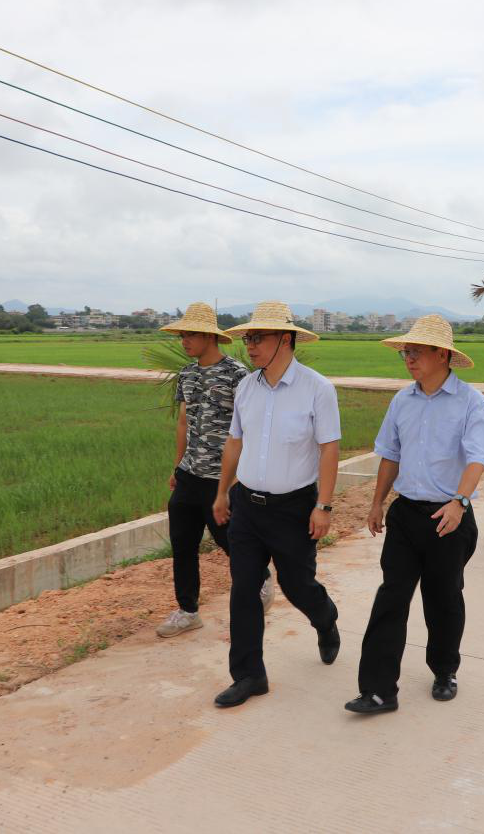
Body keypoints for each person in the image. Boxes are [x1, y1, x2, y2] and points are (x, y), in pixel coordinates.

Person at [345, 316, 484, 714]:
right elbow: (390, 454)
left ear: (442, 354)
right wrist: (377, 502)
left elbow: (478, 457)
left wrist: (459, 502)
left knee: (443, 599)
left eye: (416, 351)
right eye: (405, 352)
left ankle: (445, 670)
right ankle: (378, 690)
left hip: (448, 518)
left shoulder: (470, 402)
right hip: (406, 515)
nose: (409, 358)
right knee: (390, 598)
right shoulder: (403, 401)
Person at [211, 301, 342, 708]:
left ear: (285, 339)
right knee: (244, 589)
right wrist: (222, 492)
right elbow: (235, 441)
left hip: (293, 509)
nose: (249, 346)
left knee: (297, 585)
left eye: (257, 338)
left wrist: (323, 506)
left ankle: (325, 618)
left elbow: (329, 449)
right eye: (247, 338)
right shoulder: (246, 388)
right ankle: (249, 675)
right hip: (246, 506)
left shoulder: (317, 389)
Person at [154, 303, 272, 638]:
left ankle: (262, 578)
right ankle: (188, 610)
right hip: (189, 475)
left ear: (209, 336)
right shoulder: (187, 374)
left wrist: (236, 478)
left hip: (223, 477)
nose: (184, 341)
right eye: (182, 335)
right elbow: (183, 422)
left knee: (229, 540)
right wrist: (178, 465)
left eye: (190, 334)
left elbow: (249, 427)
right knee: (183, 545)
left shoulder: (237, 374)